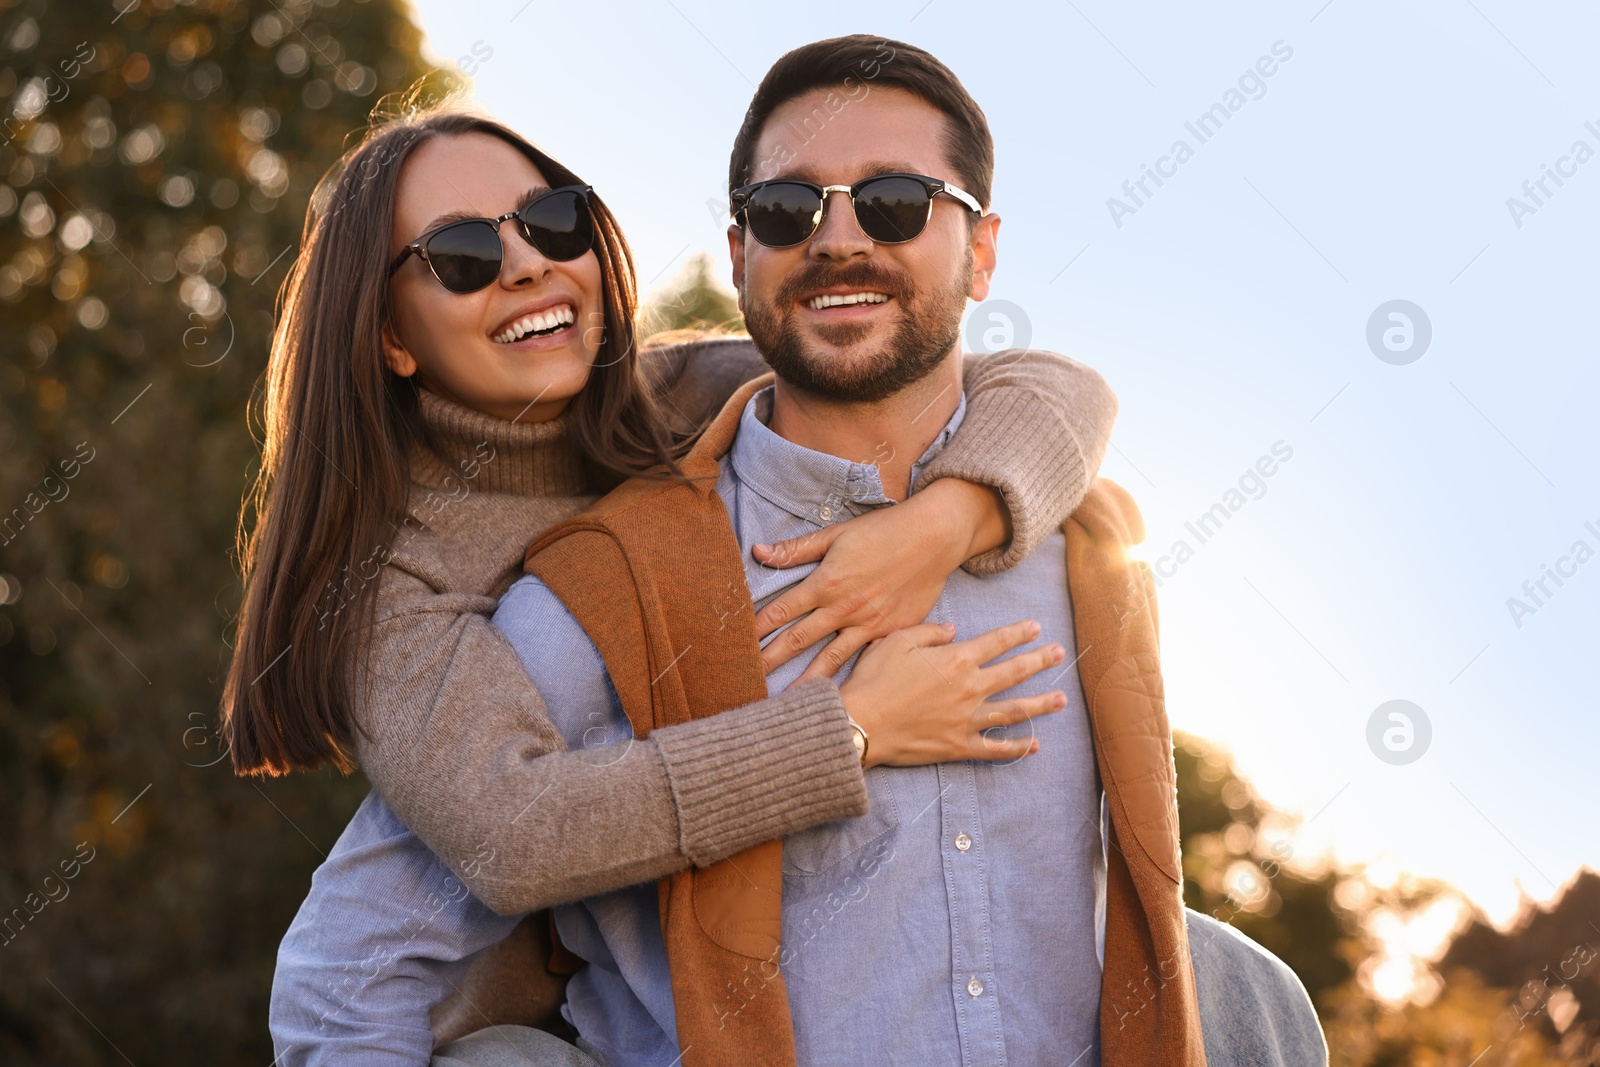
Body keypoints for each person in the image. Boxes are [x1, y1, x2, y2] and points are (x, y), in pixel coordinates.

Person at [236, 92, 1121, 1064]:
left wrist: (944, 521)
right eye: (463, 256)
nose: (528, 262)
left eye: (551, 221)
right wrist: (847, 730)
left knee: (1221, 974)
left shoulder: (673, 398)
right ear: (390, 336)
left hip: (670, 947)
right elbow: (514, 833)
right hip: (530, 1021)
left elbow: (1046, 385)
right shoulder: (390, 584)